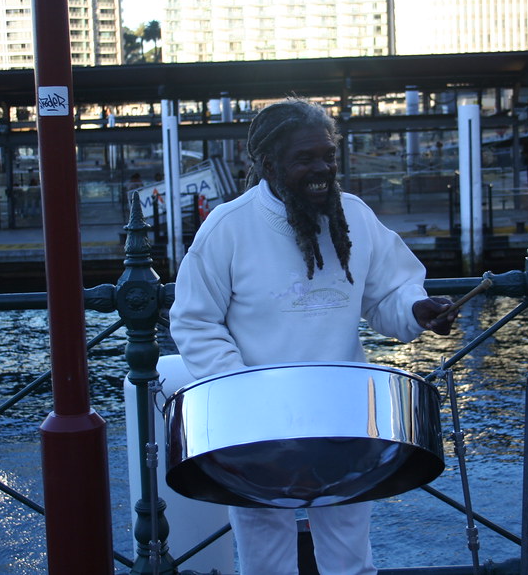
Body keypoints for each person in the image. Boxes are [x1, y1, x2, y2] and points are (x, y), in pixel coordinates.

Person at [168, 98, 458, 575]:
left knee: (350, 560)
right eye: (305, 159)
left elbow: (389, 295)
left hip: (343, 421)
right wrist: (240, 388)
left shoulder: (356, 217)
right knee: (266, 563)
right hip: (256, 425)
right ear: (268, 164)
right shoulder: (228, 228)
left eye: (328, 156)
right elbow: (195, 322)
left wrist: (416, 310)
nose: (321, 168)